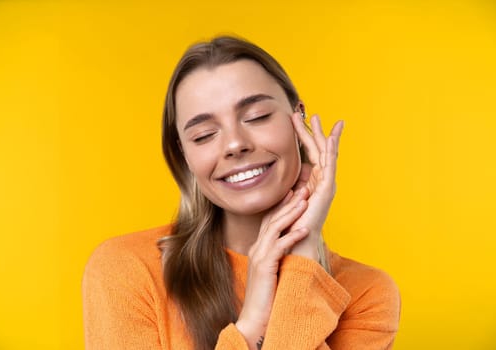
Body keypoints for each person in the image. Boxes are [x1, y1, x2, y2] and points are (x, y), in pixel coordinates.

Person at [82, 36, 401, 350]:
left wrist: (303, 256)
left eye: (257, 117)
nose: (235, 144)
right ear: (185, 156)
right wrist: (251, 322)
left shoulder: (367, 295)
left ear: (297, 120)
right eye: (204, 135)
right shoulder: (125, 271)